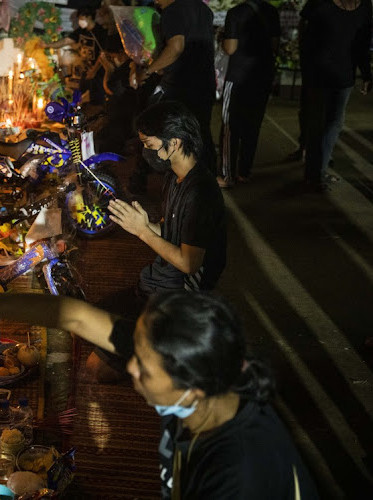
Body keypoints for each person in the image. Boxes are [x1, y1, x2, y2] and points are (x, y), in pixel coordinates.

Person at [0, 276, 320, 499]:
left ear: (193, 386)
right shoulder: (202, 376)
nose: (130, 367)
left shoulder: (239, 472)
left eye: (143, 367)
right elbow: (76, 316)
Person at [89, 101, 226, 381]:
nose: (145, 152)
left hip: (176, 296)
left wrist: (143, 232)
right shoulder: (175, 177)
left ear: (173, 143)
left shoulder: (200, 193)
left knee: (95, 369)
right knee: (90, 320)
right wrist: (138, 223)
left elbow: (189, 263)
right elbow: (170, 232)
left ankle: (167, 367)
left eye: (149, 144)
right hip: (155, 281)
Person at [128, 0, 217, 194]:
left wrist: (149, 70)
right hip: (204, 82)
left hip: (179, 86)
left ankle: (141, 178)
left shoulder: (173, 10)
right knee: (200, 133)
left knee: (151, 127)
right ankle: (206, 184)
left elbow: (176, 47)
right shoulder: (203, 9)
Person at [299, 0, 372, 193]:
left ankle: (317, 172)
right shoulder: (322, 4)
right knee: (322, 123)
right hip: (322, 74)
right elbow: (306, 40)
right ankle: (315, 174)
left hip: (340, 75)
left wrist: (366, 74)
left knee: (332, 124)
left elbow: (362, 44)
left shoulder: (364, 7)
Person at [217, 0, 281, 188]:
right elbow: (275, 45)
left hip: (237, 77)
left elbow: (230, 48)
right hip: (261, 77)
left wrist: (222, 37)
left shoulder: (236, 13)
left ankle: (227, 175)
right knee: (252, 126)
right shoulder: (271, 12)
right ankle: (244, 172)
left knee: (230, 127)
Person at [43, 7, 108, 105]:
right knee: (80, 98)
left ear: (89, 17)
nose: (80, 21)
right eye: (79, 19)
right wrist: (47, 45)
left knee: (95, 100)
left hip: (97, 73)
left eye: (82, 18)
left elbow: (103, 55)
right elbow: (65, 41)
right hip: (85, 72)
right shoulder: (80, 31)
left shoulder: (100, 32)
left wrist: (94, 71)